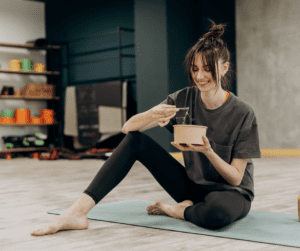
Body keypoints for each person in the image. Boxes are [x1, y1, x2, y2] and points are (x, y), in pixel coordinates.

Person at [31, 19, 261, 236]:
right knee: (135, 140)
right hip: (192, 187)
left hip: (231, 193)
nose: (199, 76)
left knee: (217, 215)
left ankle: (176, 210)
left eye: (207, 69)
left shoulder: (243, 113)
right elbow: (127, 128)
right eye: (194, 69)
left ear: (224, 68)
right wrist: (152, 114)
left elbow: (235, 179)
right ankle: (77, 212)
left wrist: (208, 151)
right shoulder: (182, 99)